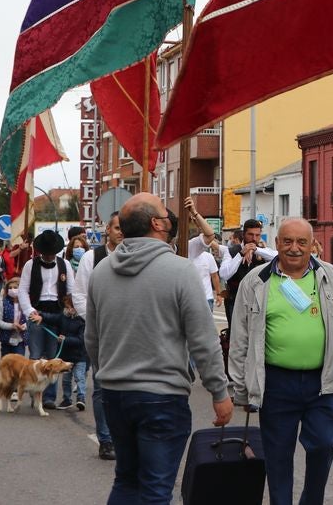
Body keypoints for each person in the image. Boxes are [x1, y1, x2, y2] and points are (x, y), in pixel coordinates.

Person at [86, 192, 232, 504]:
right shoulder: (180, 271)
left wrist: (108, 373)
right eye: (165, 213)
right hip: (162, 397)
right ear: (156, 223)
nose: (170, 217)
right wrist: (219, 392)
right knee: (155, 488)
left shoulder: (101, 272)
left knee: (126, 480)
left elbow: (92, 338)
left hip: (115, 394)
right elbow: (204, 340)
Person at [230, 218, 333, 505]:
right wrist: (241, 388)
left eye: (301, 242)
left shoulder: (331, 276)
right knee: (278, 457)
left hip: (321, 383)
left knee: (323, 446)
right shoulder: (256, 281)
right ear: (276, 244)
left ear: (312, 245)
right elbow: (240, 339)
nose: (294, 248)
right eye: (287, 241)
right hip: (276, 384)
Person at [72, 212, 122, 461]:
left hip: (129, 334)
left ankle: (124, 436)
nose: (120, 232)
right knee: (103, 387)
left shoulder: (136, 256)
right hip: (101, 333)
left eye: (124, 227)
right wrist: (93, 322)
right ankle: (106, 439)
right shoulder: (92, 257)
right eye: (116, 228)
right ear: (107, 231)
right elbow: (79, 294)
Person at [17, 229, 73, 410]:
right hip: (37, 310)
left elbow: (71, 290)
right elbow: (23, 290)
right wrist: (30, 311)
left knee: (53, 355)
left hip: (57, 312)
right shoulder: (30, 265)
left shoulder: (65, 265)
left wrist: (69, 309)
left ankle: (49, 397)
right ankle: (34, 391)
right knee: (35, 355)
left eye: (52, 254)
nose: (49, 257)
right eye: (46, 254)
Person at [219, 219, 277, 324]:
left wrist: (256, 250)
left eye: (257, 235)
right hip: (235, 301)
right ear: (244, 234)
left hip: (258, 302)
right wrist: (241, 254)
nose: (254, 238)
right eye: (250, 235)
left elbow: (279, 257)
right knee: (236, 336)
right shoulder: (231, 251)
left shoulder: (263, 251)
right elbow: (224, 274)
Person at [0, 277, 27, 358]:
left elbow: (30, 320)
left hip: (20, 340)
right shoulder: (3, 303)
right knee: (6, 366)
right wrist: (11, 326)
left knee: (19, 365)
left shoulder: (25, 304)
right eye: (10, 288)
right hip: (6, 340)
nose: (12, 290)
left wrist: (24, 326)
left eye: (15, 287)